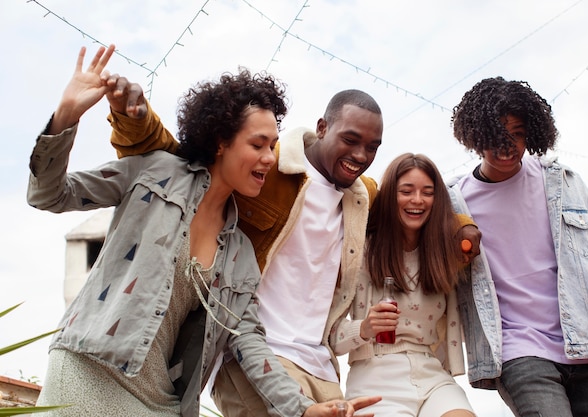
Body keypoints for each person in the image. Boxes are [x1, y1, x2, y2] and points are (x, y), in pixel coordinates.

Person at [27, 44, 380, 417]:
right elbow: (50, 194)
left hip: (161, 397)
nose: (268, 157)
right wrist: (67, 115)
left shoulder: (239, 250)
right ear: (220, 142)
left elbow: (248, 340)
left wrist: (303, 409)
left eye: (273, 146)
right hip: (89, 367)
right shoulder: (155, 173)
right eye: (257, 144)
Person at [104, 75, 481, 416]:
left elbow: (412, 210)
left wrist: (463, 230)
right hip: (255, 352)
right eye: (350, 140)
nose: (361, 156)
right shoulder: (270, 168)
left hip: (320, 362)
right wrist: (133, 120)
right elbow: (185, 162)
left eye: (372, 147)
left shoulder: (362, 197)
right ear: (322, 128)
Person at [447, 76, 588, 417]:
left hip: (586, 343)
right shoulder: (456, 201)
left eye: (517, 134)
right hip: (518, 350)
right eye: (496, 135)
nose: (508, 145)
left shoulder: (564, 182)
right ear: (475, 136)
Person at [330, 153, 475, 417]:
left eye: (427, 192)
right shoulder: (361, 251)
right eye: (406, 191)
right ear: (389, 197)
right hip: (375, 378)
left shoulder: (443, 255)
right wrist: (364, 328)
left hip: (433, 376)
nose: (417, 200)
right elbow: (329, 336)